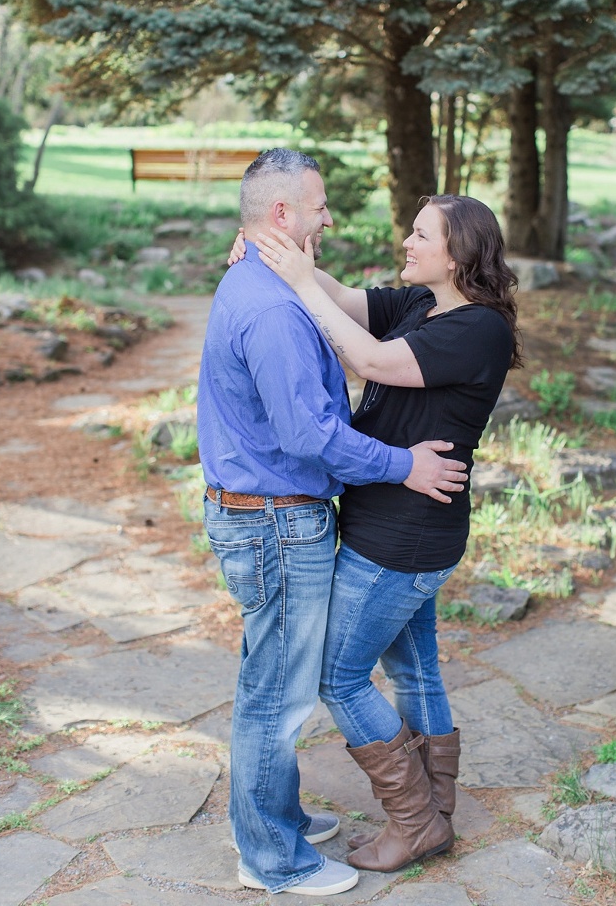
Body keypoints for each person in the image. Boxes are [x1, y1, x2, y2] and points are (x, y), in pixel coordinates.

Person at [197, 149, 468, 897]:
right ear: (282, 215)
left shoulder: (258, 280)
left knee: (273, 682)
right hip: (277, 522)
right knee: (278, 696)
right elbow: (311, 437)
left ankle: (271, 818)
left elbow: (351, 329)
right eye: (318, 206)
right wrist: (402, 464)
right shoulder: (275, 308)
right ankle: (272, 859)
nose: (329, 217)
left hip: (273, 516)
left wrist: (276, 262)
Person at [251, 192, 521, 873]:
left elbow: (368, 361)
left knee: (339, 678)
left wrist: (294, 283)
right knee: (413, 667)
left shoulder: (478, 328)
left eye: (420, 234)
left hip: (402, 539)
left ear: (457, 253)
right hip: (398, 525)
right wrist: (280, 252)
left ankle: (414, 822)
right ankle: (436, 811)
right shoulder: (420, 304)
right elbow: (340, 298)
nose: (407, 240)